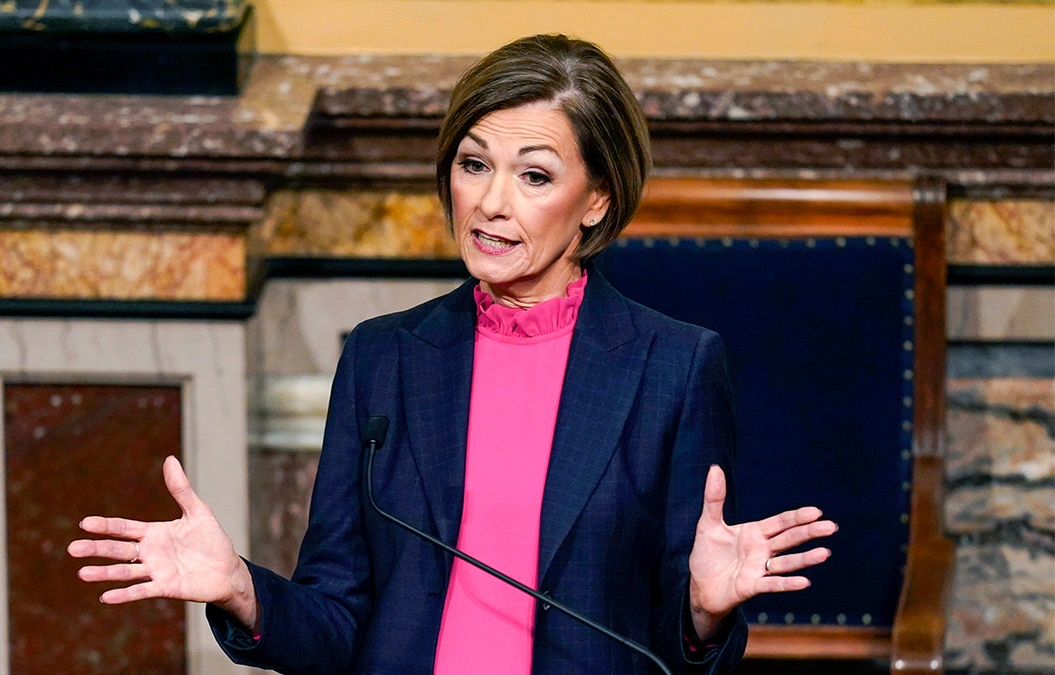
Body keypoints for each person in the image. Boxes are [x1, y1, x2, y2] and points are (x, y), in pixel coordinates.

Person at [68, 34, 837, 674]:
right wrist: (242, 589)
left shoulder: (673, 367)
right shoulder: (384, 358)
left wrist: (702, 610)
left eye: (534, 175)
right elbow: (340, 621)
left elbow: (676, 651)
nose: (491, 202)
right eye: (474, 164)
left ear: (596, 199)